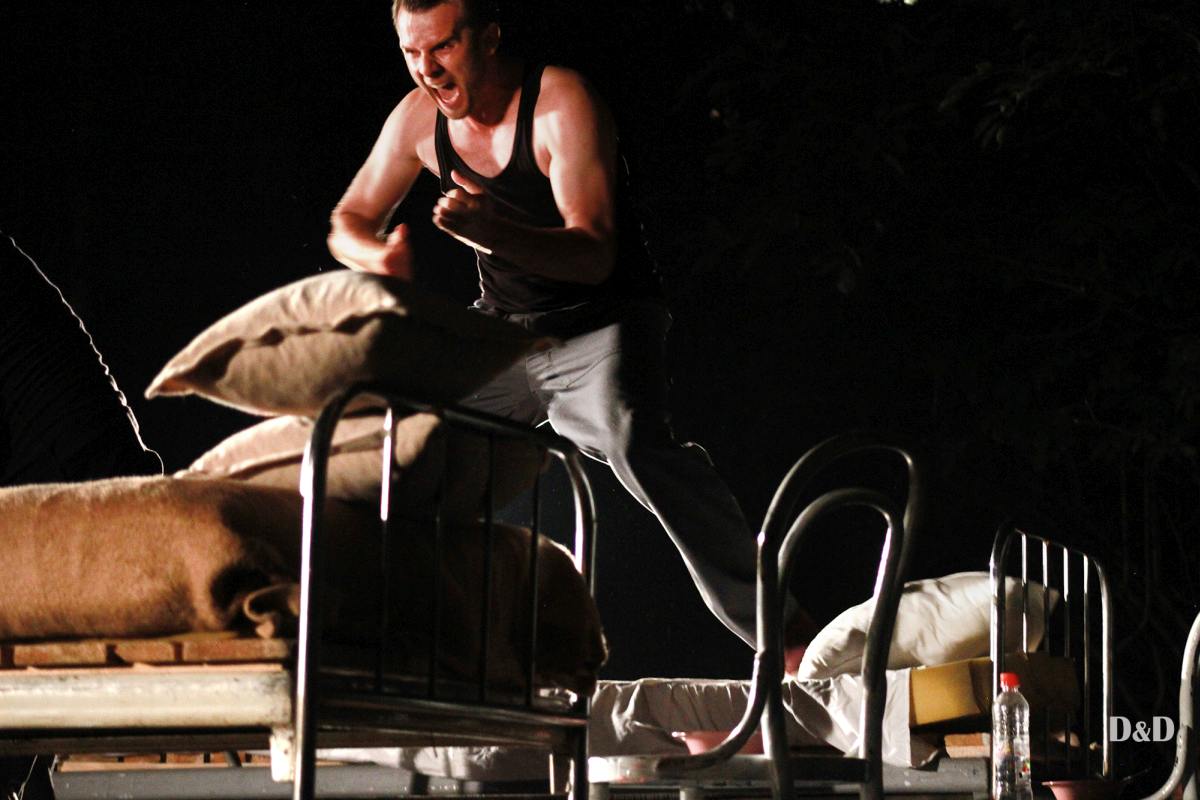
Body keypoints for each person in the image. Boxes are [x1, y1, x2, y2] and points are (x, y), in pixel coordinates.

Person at [327, 0, 814, 657]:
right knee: (400, 442)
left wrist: (492, 232)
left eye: (442, 48)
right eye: (411, 52)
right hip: (505, 331)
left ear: (489, 38)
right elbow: (349, 218)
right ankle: (414, 644)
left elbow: (593, 256)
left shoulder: (560, 102)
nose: (427, 70)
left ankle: (788, 637)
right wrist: (374, 255)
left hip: (599, 325)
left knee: (634, 445)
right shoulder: (416, 118)